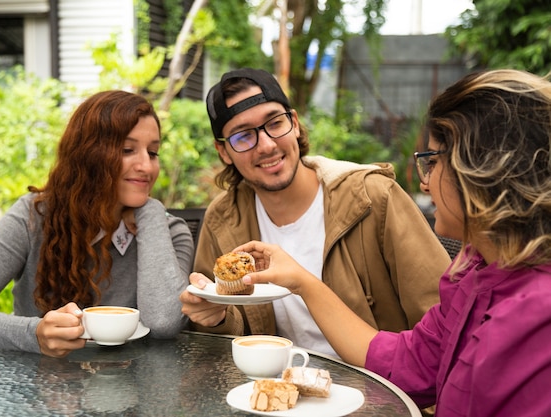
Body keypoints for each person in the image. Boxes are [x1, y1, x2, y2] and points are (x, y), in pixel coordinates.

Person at [234, 69, 551, 416]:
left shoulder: (536, 318)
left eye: (431, 162)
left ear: (479, 170)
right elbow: (408, 363)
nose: (425, 184)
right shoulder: (475, 272)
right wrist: (302, 282)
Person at [179, 68, 451, 357]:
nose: (267, 145)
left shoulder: (373, 198)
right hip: (272, 389)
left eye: (274, 123)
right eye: (243, 137)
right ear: (223, 152)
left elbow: (442, 314)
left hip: (377, 386)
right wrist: (215, 317)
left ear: (294, 123)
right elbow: (219, 343)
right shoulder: (223, 218)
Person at [0, 90, 193, 358]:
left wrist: (151, 211)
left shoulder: (171, 233)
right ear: (89, 154)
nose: (146, 166)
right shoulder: (35, 216)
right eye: (127, 150)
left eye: (153, 152)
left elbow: (164, 322)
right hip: (38, 390)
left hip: (131, 389)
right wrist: (34, 333)